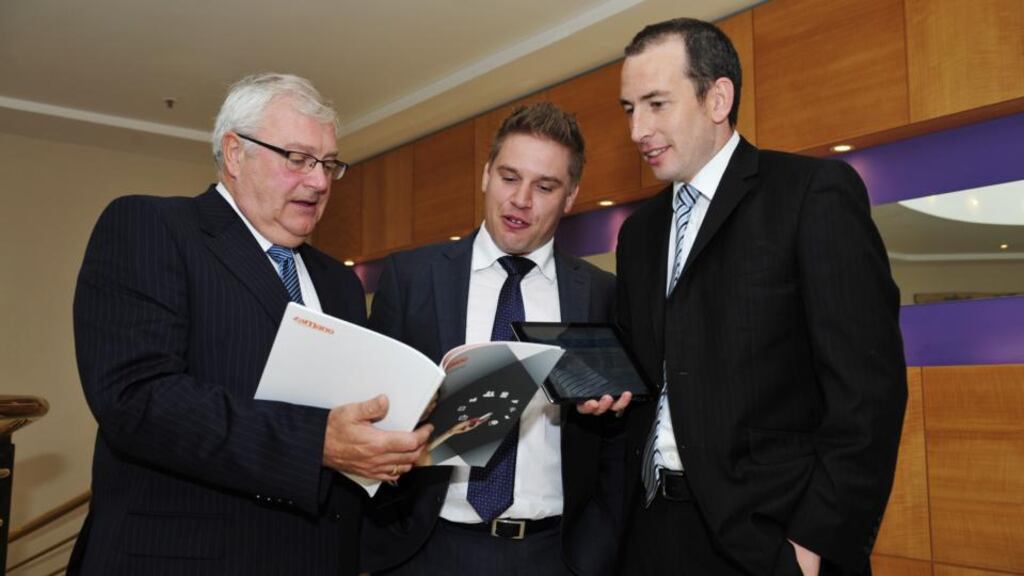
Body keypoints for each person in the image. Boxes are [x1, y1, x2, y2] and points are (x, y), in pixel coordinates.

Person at [70, 73, 430, 575]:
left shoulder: (339, 282)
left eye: (328, 164)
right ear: (235, 154)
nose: (320, 181)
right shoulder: (151, 228)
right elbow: (137, 400)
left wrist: (389, 446)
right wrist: (316, 444)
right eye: (299, 159)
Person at [614, 18, 907, 576]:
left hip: (771, 541)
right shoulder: (640, 233)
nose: (637, 130)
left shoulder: (811, 194)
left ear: (717, 97)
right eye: (630, 109)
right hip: (652, 532)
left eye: (655, 104)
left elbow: (868, 394)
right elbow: (647, 374)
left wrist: (813, 544)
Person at [361, 102, 627, 576]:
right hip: (429, 548)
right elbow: (372, 412)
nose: (520, 199)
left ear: (571, 197)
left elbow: (615, 440)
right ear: (485, 175)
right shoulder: (412, 278)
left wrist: (598, 547)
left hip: (557, 554)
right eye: (509, 177)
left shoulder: (601, 293)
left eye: (544, 187)